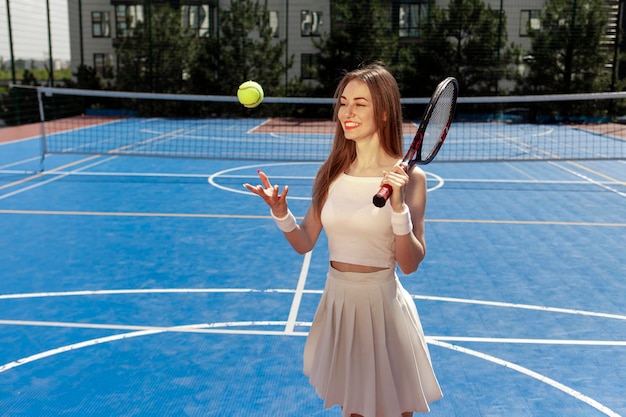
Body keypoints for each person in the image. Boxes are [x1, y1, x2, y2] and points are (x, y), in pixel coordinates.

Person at [244, 62, 442, 417]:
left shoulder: (412, 179)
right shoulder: (331, 172)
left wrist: (398, 208)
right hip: (338, 304)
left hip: (382, 309)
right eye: (343, 102)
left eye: (360, 104)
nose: (347, 113)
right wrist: (280, 213)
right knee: (353, 411)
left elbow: (410, 265)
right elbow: (305, 241)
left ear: (383, 113)